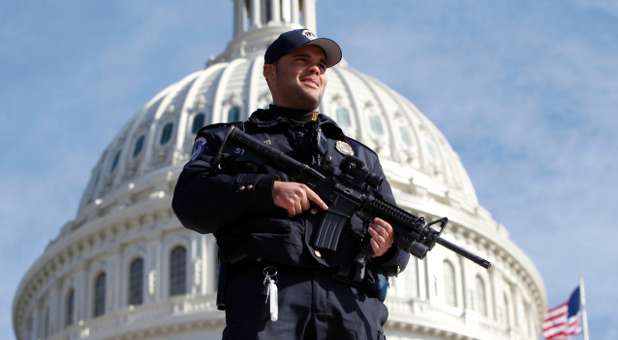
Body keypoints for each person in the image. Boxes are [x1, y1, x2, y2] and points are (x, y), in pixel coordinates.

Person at [172, 28, 410, 340]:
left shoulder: (361, 158)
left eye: (322, 66)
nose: (315, 69)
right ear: (270, 72)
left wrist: (388, 246)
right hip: (270, 300)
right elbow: (189, 202)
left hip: (350, 308)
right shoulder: (229, 140)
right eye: (302, 59)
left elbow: (398, 244)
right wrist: (265, 191)